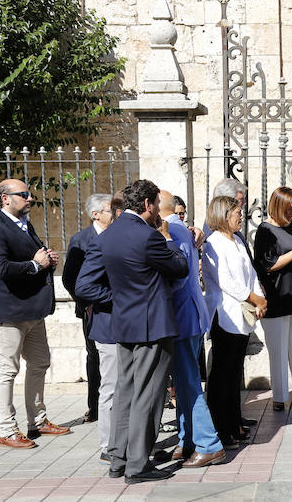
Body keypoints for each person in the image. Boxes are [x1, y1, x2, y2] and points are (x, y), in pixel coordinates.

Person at [99, 179, 189, 483]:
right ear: (148, 205)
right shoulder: (149, 237)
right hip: (152, 326)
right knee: (148, 396)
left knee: (125, 391)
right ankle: (138, 466)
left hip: (124, 323)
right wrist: (168, 238)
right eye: (156, 207)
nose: (158, 214)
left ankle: (118, 459)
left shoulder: (109, 233)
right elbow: (180, 267)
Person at [0, 179, 69, 449]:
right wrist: (34, 264)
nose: (30, 199)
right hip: (8, 312)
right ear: (5, 198)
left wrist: (47, 261)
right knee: (7, 370)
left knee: (40, 363)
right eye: (24, 194)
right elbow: (0, 269)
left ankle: (38, 421)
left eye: (30, 194)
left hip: (32, 310)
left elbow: (35, 262)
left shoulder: (24, 225)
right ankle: (7, 430)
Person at [156, 191, 226, 467]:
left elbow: (177, 273)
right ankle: (188, 440)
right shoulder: (182, 228)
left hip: (183, 319)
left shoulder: (173, 230)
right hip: (191, 317)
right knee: (184, 387)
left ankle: (209, 443)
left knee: (189, 385)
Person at [203, 196, 266, 447]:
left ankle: (234, 423)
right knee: (222, 375)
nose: (241, 216)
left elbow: (250, 273)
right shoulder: (213, 243)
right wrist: (254, 298)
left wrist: (258, 298)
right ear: (222, 215)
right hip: (225, 315)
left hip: (242, 314)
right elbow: (225, 280)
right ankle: (221, 428)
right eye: (237, 213)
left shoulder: (238, 240)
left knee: (234, 374)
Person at [254, 187, 292, 411]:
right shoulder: (265, 231)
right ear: (278, 207)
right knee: (278, 351)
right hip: (277, 296)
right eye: (289, 208)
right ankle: (279, 397)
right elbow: (267, 264)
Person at [74, 205, 120, 464]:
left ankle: (125, 442)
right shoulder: (98, 243)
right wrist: (116, 298)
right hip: (106, 325)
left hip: (126, 327)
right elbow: (81, 285)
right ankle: (108, 445)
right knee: (110, 387)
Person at [62, 193, 112, 423]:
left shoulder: (117, 236)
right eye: (111, 210)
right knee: (95, 357)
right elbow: (70, 279)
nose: (116, 214)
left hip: (115, 307)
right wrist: (86, 304)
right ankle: (95, 407)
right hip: (92, 309)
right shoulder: (81, 239)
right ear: (96, 214)